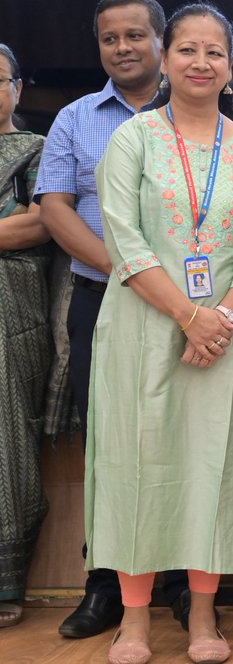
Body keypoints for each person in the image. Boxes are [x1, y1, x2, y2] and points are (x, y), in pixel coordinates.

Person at [85, 2, 233, 664]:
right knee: (139, 465)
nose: (201, 62)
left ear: (231, 66)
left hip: (227, 337)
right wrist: (189, 316)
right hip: (144, 329)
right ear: (165, 60)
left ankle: (203, 616)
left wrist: (218, 319)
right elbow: (124, 240)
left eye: (215, 51)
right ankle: (133, 621)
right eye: (188, 50)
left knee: (215, 469)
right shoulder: (133, 138)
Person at [35, 0, 191, 640]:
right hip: (103, 297)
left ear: (161, 42)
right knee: (108, 441)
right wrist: (130, 272)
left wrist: (164, 289)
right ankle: (103, 584)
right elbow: (56, 208)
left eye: (135, 35)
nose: (122, 47)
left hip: (187, 306)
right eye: (109, 38)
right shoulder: (75, 118)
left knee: (182, 437)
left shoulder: (194, 109)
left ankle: (185, 584)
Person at [0, 44, 52, 629]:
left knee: (6, 441)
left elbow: (39, 222)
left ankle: (5, 581)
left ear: (19, 86)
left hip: (12, 317)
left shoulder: (33, 151)